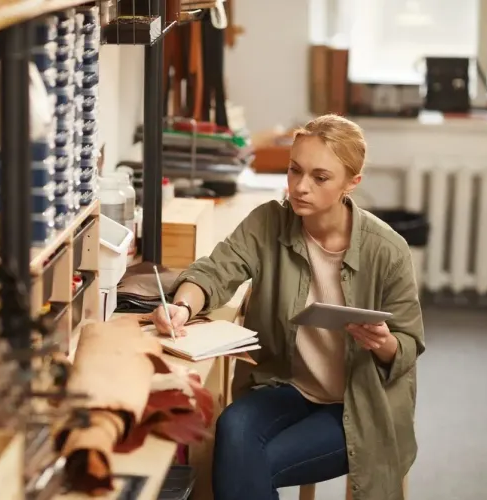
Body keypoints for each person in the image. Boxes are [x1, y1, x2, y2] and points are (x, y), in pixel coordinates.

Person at [150, 114, 425, 500]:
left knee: (244, 462)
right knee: (233, 426)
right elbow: (216, 270)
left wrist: (382, 344)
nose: (300, 187)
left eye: (319, 177)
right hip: (286, 387)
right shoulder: (268, 222)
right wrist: (182, 304)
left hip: (357, 405)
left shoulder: (388, 250)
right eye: (294, 171)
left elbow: (408, 345)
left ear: (352, 183)